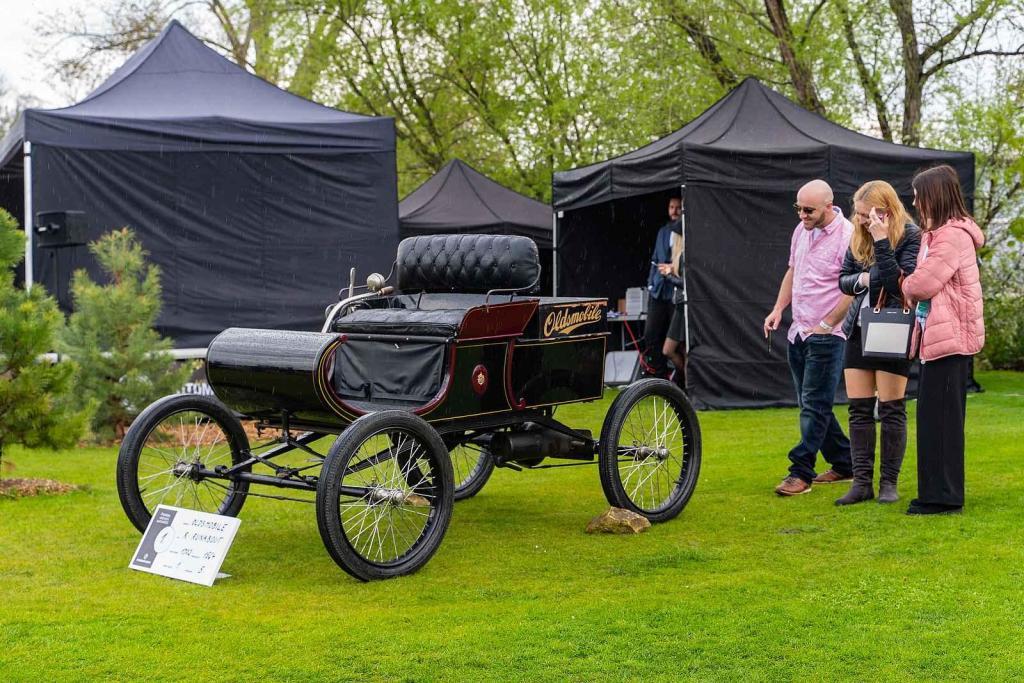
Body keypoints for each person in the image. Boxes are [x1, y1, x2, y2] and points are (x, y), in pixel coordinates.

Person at [901, 165, 984, 515]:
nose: (915, 202)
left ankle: (943, 497)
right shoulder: (936, 236)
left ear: (933, 195)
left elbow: (922, 284)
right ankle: (936, 493)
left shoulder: (951, 237)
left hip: (949, 342)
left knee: (942, 423)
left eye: (918, 195)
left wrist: (906, 284)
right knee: (934, 420)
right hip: (938, 338)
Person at [764, 179, 854, 496]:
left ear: (829, 206)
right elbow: (793, 271)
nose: (802, 215)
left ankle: (800, 471)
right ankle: (845, 462)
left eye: (809, 210)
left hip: (829, 334)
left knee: (814, 405)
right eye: (798, 208)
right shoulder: (801, 230)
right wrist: (778, 309)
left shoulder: (849, 236)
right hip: (799, 331)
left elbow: (854, 289)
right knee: (813, 404)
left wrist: (828, 324)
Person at [835, 181, 920, 506]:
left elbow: (899, 285)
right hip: (858, 330)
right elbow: (843, 280)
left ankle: (888, 483)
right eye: (857, 214)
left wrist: (882, 241)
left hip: (892, 329)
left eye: (865, 214)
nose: (859, 220)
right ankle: (861, 483)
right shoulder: (858, 235)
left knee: (891, 408)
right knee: (858, 409)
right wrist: (862, 279)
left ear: (885, 211)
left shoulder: (910, 235)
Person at [644, 196, 682, 378]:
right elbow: (655, 259)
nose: (674, 211)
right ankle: (660, 376)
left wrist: (672, 270)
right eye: (671, 207)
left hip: (676, 291)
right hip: (658, 290)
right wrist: (651, 284)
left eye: (678, 207)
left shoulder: (686, 232)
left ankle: (680, 379)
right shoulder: (662, 231)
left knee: (676, 340)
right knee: (651, 334)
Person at [657, 219, 687, 389]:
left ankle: (685, 384)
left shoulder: (684, 254)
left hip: (683, 308)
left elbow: (686, 284)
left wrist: (668, 275)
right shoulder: (681, 255)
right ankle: (685, 385)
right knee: (682, 350)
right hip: (681, 306)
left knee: (669, 350)